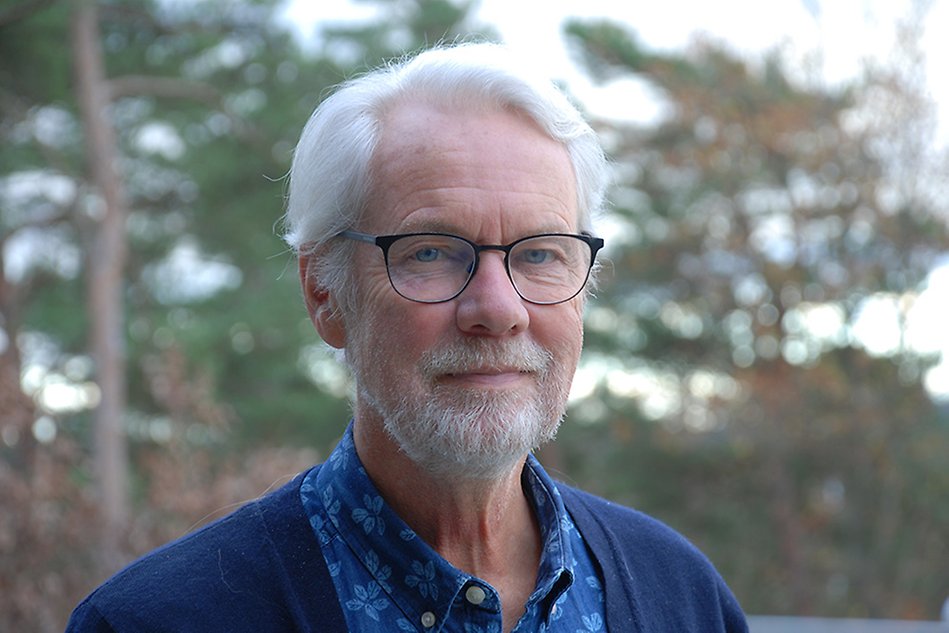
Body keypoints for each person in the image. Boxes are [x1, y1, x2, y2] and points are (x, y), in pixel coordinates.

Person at [66, 42, 748, 633]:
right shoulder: (159, 620)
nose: (497, 309)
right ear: (325, 293)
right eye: (431, 252)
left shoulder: (680, 595)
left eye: (540, 254)